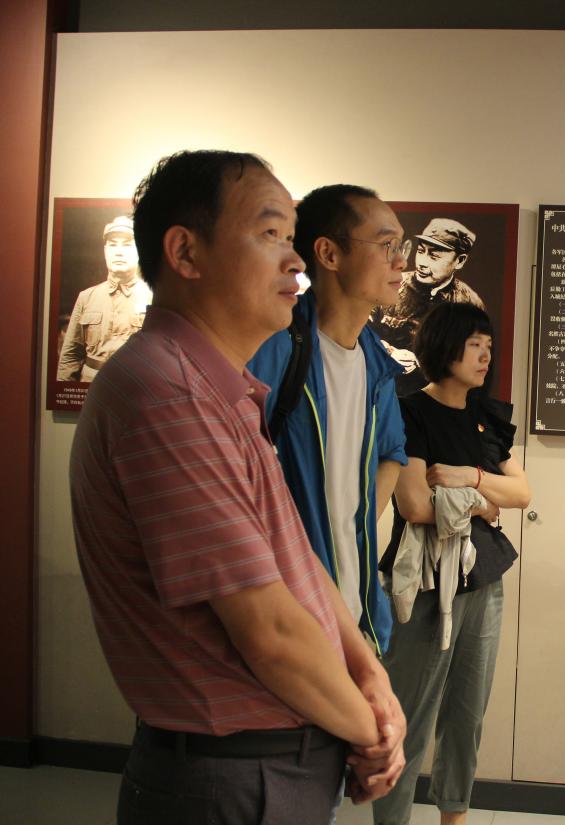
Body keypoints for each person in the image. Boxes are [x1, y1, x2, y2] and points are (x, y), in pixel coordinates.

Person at [68, 150, 403, 825]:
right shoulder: (169, 394)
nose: (295, 261)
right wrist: (373, 731)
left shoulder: (223, 390)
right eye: (271, 234)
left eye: (292, 238)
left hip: (268, 762)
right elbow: (269, 629)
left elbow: (295, 553)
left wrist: (370, 675)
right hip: (236, 779)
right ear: (185, 252)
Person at [373, 302, 530, 825]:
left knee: (467, 713)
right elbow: (414, 505)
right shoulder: (409, 410)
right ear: (445, 348)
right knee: (409, 714)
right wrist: (485, 505)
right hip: (425, 582)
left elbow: (522, 492)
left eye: (489, 346)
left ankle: (454, 817)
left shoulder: (485, 415)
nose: (485, 356)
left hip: (483, 578)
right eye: (474, 346)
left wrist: (471, 481)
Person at [247, 184, 409, 659]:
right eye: (387, 245)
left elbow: (392, 453)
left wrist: (355, 523)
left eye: (400, 246)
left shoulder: (376, 361)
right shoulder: (274, 348)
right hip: (287, 619)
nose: (401, 261)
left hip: (358, 614)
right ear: (329, 253)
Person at [372, 218, 485, 396]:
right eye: (421, 251)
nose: (422, 262)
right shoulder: (390, 286)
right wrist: (389, 351)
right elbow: (359, 334)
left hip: (436, 402)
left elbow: (475, 363)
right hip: (384, 396)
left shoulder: (470, 303)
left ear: (460, 260)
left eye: (434, 256)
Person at [56, 215, 152, 382]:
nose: (119, 252)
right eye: (113, 245)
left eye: (127, 244)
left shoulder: (153, 297)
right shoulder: (86, 297)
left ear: (139, 251)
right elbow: (70, 355)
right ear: (105, 251)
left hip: (135, 385)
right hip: (91, 386)